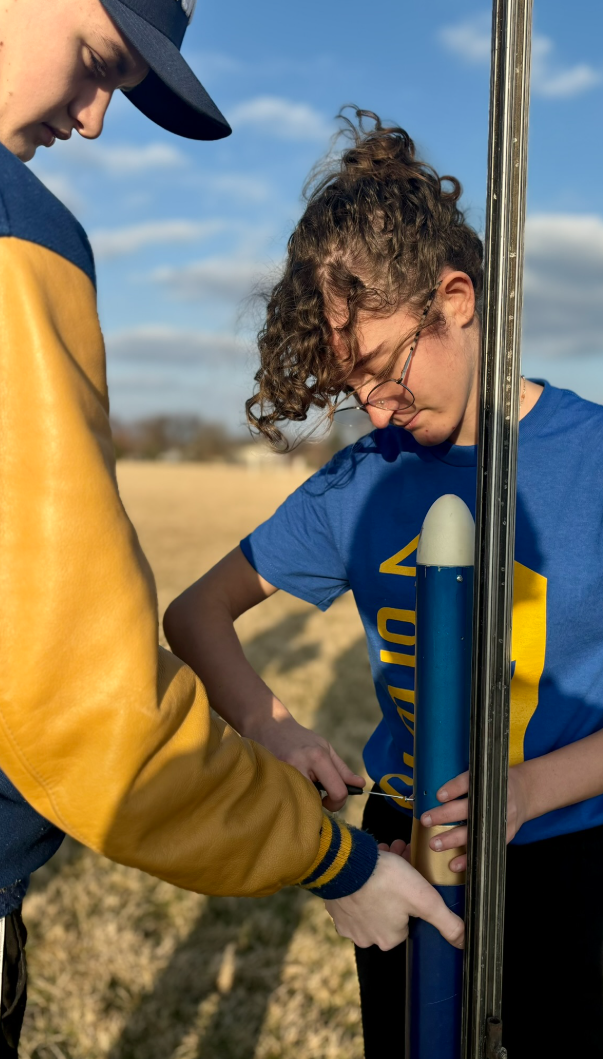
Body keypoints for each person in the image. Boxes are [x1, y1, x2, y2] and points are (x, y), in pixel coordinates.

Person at [163, 108, 603, 1059]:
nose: (376, 407)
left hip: (584, 874)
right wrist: (270, 724)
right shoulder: (361, 479)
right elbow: (196, 613)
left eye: (385, 369)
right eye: (354, 388)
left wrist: (528, 789)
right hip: (411, 861)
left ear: (458, 298)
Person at [0, 14, 464, 1058]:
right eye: (93, 63)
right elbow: (82, 702)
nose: (93, 120)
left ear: (460, 302)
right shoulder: (17, 234)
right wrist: (326, 847)